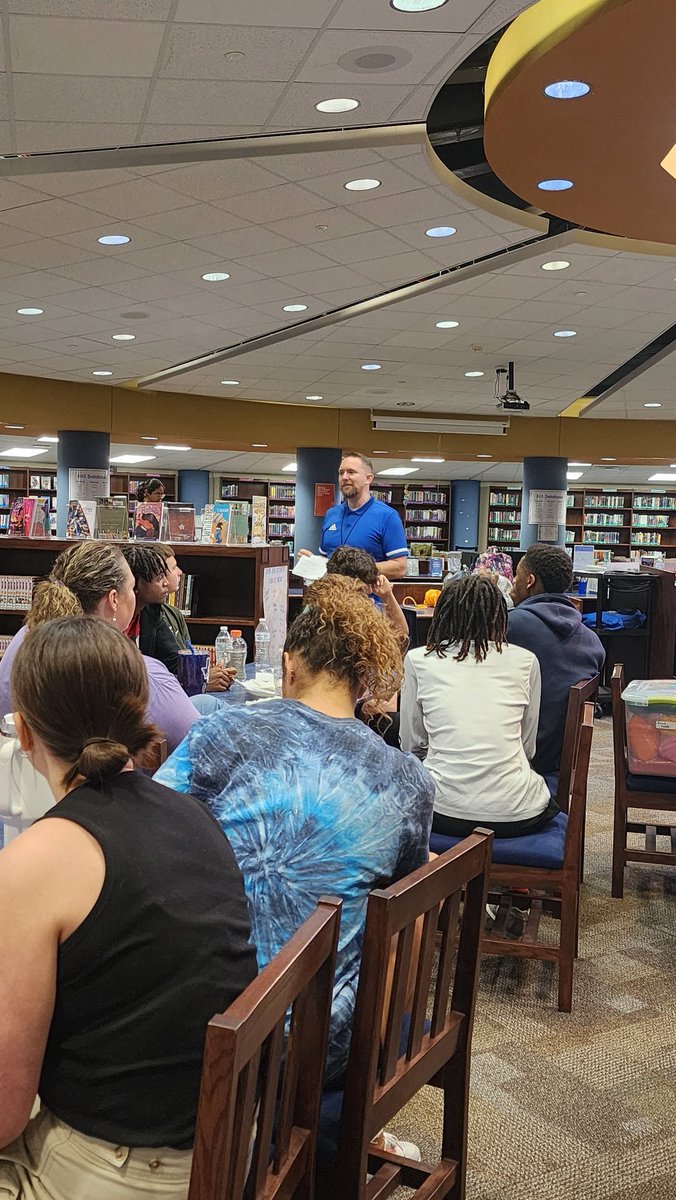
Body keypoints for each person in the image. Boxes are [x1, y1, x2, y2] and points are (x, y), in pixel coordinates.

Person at [0, 617, 257, 1198]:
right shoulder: (191, 814)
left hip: (121, 1172)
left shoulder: (35, 861)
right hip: (229, 1143)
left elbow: (4, 1113)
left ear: (25, 731)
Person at [155, 574, 435, 1086]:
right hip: (324, 1036)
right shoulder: (408, 779)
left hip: (212, 1024)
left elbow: (147, 830)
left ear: (288, 665)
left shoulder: (220, 731)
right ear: (365, 682)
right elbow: (410, 906)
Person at [0, 542, 198, 755]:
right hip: (105, 781)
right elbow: (195, 741)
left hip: (22, 774)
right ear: (113, 599)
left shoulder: (26, 637)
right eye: (132, 588)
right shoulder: (132, 667)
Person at [400, 574, 558, 838]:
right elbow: (527, 748)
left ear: (443, 615)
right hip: (517, 814)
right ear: (499, 616)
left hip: (440, 811)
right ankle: (517, 876)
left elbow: (411, 746)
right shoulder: (526, 661)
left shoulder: (418, 660)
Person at [508, 543, 604, 778]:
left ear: (529, 581)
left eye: (516, 576)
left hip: (515, 757)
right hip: (558, 761)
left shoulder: (509, 626)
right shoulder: (593, 643)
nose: (512, 582)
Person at [299, 452, 408, 579]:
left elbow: (400, 568)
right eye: (341, 473)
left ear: (368, 478)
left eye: (351, 472)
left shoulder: (387, 516)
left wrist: (351, 570)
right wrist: (313, 562)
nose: (344, 477)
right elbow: (325, 559)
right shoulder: (331, 514)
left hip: (366, 598)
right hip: (331, 597)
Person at [156, 544, 236, 693]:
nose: (180, 572)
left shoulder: (174, 613)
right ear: (157, 575)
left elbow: (187, 660)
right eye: (173, 568)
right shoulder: (149, 620)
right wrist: (202, 680)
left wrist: (214, 674)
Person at [326, 545, 409, 640]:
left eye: (371, 585)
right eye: (361, 590)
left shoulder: (368, 611)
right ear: (341, 586)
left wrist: (387, 596)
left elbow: (402, 636)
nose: (370, 600)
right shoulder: (324, 614)